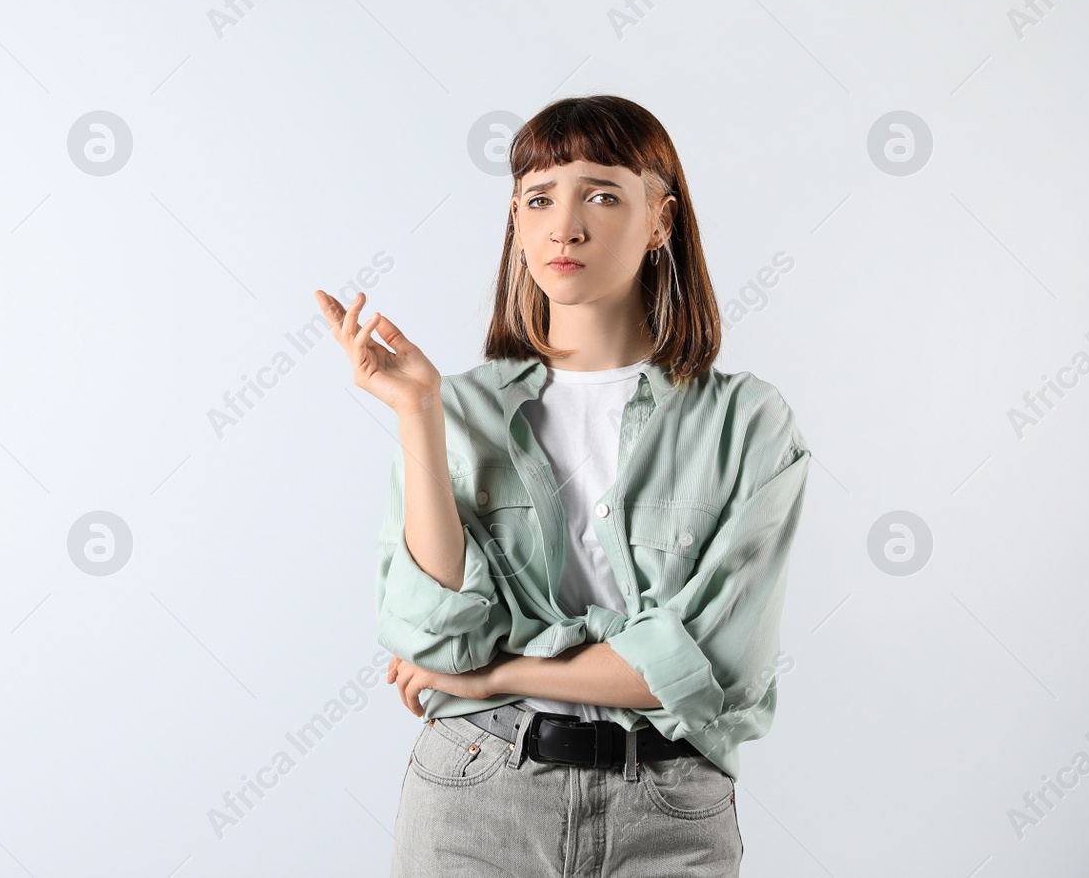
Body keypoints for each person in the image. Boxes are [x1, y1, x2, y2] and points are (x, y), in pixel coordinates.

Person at [314, 95, 812, 877]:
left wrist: (502, 670)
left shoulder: (748, 423)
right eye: (540, 198)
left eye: (602, 194)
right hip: (474, 793)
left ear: (662, 221)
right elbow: (434, 635)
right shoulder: (461, 407)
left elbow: (713, 667)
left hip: (673, 808)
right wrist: (416, 410)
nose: (565, 224)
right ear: (516, 219)